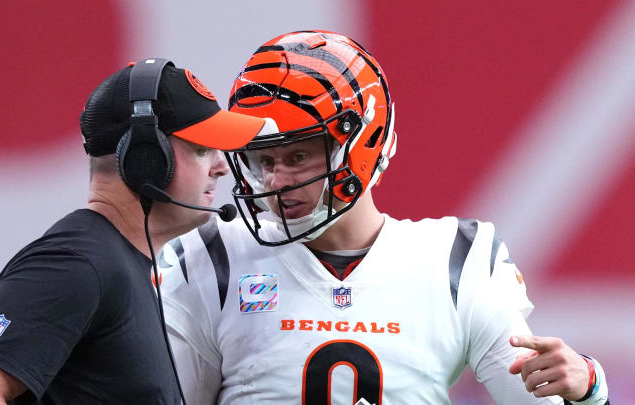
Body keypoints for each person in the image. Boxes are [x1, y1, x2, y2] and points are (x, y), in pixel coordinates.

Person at [156, 32, 610, 404]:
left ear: (361, 145)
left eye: (297, 156)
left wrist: (588, 390)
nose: (275, 181)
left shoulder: (457, 260)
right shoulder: (211, 257)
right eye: (264, 161)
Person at [0, 58, 267, 404]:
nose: (221, 166)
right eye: (202, 149)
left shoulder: (113, 263)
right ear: (146, 158)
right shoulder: (79, 263)